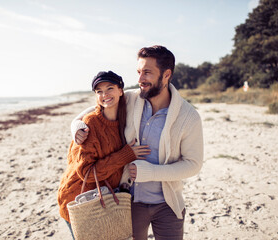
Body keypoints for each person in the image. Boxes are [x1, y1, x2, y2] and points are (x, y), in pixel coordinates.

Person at [72, 45, 203, 240]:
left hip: (168, 205)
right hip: (128, 202)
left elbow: (193, 164)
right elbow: (96, 108)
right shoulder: (132, 99)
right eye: (139, 72)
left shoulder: (188, 116)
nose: (140, 79)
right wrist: (76, 125)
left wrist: (151, 172)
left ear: (166, 75)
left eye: (147, 72)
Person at [57, 71, 151, 239]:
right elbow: (86, 172)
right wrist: (125, 155)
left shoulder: (124, 119)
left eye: (109, 88)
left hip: (105, 200)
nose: (105, 95)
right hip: (80, 199)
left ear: (121, 90)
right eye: (99, 91)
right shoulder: (90, 123)